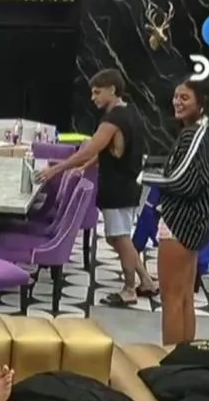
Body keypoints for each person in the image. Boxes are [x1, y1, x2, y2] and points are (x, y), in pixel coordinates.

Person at [36, 69, 155, 306]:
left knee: (120, 238)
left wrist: (56, 169)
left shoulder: (113, 120)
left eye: (97, 92)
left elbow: (90, 149)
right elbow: (104, 151)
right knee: (117, 238)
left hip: (118, 188)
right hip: (127, 184)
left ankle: (129, 289)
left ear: (113, 89)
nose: (93, 98)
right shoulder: (130, 111)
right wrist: (84, 167)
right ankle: (146, 281)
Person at [139, 78, 209, 345]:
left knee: (171, 299)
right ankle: (184, 359)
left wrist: (145, 177)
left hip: (180, 222)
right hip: (194, 222)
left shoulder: (193, 135)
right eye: (176, 97)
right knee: (184, 298)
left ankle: (171, 358)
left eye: (184, 98)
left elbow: (182, 180)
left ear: (201, 103)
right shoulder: (206, 132)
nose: (177, 102)